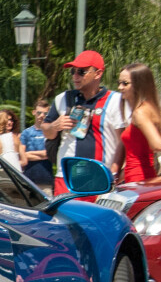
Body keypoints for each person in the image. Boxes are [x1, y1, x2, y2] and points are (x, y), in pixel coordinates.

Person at [43, 50, 126, 194]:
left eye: (81, 72)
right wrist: (54, 126)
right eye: (73, 72)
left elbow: (123, 142)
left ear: (98, 74)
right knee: (64, 216)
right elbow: (47, 132)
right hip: (66, 178)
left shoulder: (115, 101)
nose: (75, 76)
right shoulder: (62, 99)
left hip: (100, 178)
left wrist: (116, 171)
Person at [113, 63, 161, 184]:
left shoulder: (140, 113)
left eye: (125, 83)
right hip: (138, 177)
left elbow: (158, 145)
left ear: (139, 85)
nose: (120, 87)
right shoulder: (147, 108)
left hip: (139, 179)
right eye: (119, 83)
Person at [21, 99, 55, 193]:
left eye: (45, 113)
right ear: (34, 112)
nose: (42, 116)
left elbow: (49, 154)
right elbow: (23, 156)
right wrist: (42, 155)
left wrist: (29, 154)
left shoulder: (50, 133)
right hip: (28, 181)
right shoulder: (26, 133)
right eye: (39, 113)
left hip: (46, 180)